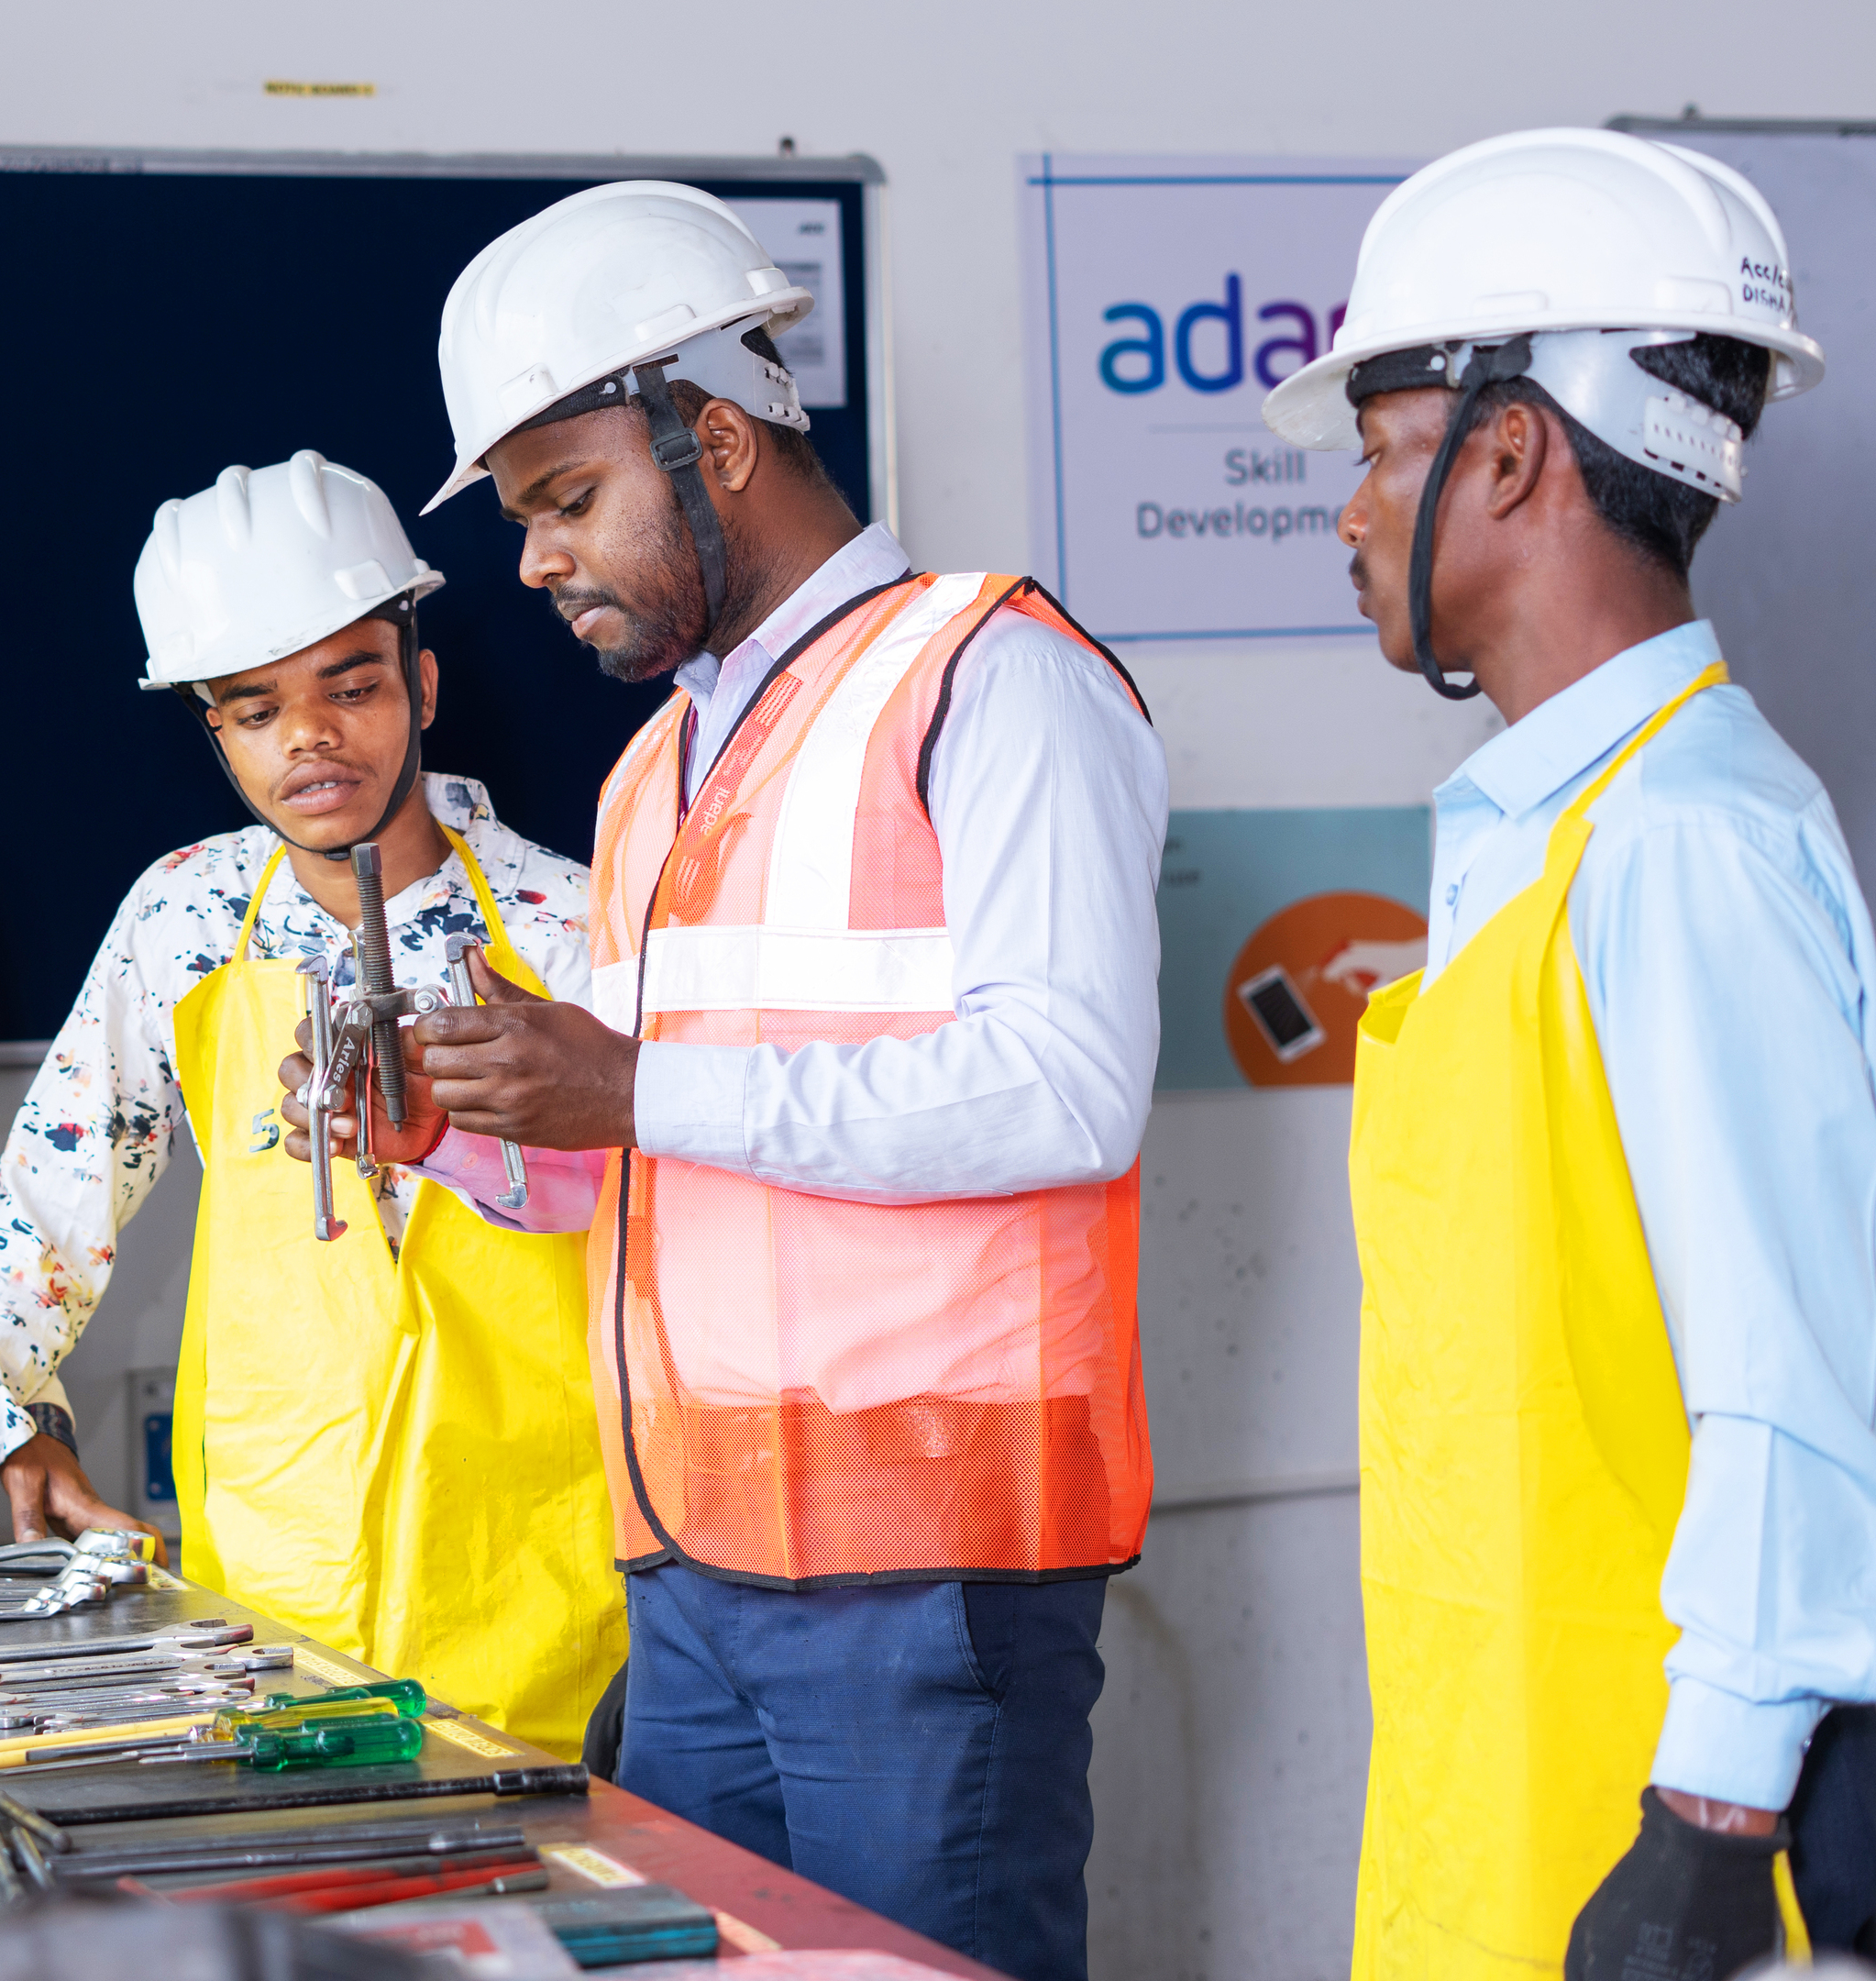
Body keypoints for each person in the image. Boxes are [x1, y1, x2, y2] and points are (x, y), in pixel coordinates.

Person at [322, 183, 1165, 1981]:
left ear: (716, 438)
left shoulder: (992, 680)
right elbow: (650, 1152)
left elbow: (1067, 1092)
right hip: (690, 1570)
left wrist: (638, 1091)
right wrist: (474, 1132)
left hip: (927, 1576)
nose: (536, 559)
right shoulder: (653, 771)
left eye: (568, 500)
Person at [1259, 128, 1876, 1979]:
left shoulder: (1683, 845)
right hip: (1518, 1769)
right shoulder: (1565, 832)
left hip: (1655, 1816)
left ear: (1517, 450)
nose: (1353, 511)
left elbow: (1789, 1392)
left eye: (1387, 450)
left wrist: (1706, 1829)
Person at [0, 453, 624, 1755]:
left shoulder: (574, 925)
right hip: (269, 1602)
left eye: (351, 685)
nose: (311, 738)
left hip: (545, 1603)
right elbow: (49, 1218)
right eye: (253, 710)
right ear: (210, 730)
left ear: (423, 677)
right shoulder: (182, 918)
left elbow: (668, 1245)